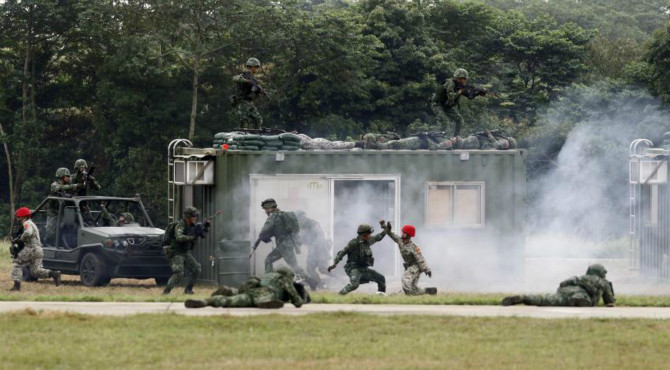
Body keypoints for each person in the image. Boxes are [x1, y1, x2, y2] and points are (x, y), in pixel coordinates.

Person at [255, 199, 316, 289]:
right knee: (291, 265)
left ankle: (268, 284)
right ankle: (311, 281)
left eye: (265, 209)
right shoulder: (281, 215)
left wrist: (262, 236)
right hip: (286, 245)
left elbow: (265, 230)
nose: (265, 211)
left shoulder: (273, 217)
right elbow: (278, 230)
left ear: (269, 208)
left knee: (272, 261)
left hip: (284, 245)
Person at [185, 267, 310, 309]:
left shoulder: (269, 275)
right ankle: (265, 303)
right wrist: (299, 300)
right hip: (264, 292)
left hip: (251, 286)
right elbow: (296, 298)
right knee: (251, 300)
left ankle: (207, 300)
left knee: (236, 297)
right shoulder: (284, 278)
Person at [502, 264, 616, 307]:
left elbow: (563, 283)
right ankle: (579, 299)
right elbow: (610, 302)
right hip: (581, 294)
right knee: (586, 300)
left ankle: (524, 298)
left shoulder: (580, 277)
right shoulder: (604, 283)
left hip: (566, 291)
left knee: (544, 299)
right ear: (601, 273)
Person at [327, 221, 388, 295]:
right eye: (369, 234)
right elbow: (342, 253)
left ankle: (380, 297)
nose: (370, 235)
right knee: (354, 284)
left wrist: (386, 228)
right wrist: (334, 264)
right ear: (364, 234)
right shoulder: (354, 243)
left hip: (363, 269)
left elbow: (379, 237)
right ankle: (339, 296)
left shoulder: (367, 241)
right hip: (353, 268)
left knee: (381, 278)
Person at [9, 207, 61, 291]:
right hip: (38, 249)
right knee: (35, 271)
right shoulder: (31, 223)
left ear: (23, 217)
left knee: (17, 263)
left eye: (19, 217)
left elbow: (28, 232)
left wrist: (20, 239)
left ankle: (16, 286)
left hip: (31, 248)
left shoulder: (27, 223)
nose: (18, 219)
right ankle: (54, 274)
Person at [382, 222, 436, 295]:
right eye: (402, 232)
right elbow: (391, 234)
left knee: (405, 279)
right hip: (409, 266)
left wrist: (426, 269)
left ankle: (408, 296)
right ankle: (428, 291)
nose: (402, 233)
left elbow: (420, 258)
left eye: (404, 232)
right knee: (413, 288)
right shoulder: (400, 241)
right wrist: (385, 226)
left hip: (416, 266)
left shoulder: (414, 247)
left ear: (409, 235)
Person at [430, 68, 488, 137]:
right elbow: (451, 97)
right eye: (464, 78)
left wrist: (478, 93)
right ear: (459, 78)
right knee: (444, 120)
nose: (465, 80)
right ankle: (439, 138)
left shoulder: (460, 85)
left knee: (459, 120)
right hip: (437, 104)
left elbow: (470, 96)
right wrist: (460, 91)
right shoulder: (450, 83)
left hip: (446, 105)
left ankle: (456, 138)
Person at [163, 206, 202, 295]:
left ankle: (188, 290)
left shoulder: (192, 226)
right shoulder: (180, 225)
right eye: (193, 216)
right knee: (179, 272)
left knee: (196, 269)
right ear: (188, 217)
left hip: (184, 252)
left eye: (196, 215)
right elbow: (179, 237)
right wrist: (191, 237)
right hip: (175, 252)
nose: (195, 218)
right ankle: (166, 292)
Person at [294, 210, 331, 289]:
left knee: (323, 269)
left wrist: (314, 245)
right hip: (312, 251)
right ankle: (320, 286)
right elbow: (302, 240)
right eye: (297, 220)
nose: (299, 221)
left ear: (303, 217)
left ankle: (341, 279)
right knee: (310, 269)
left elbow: (320, 235)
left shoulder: (313, 223)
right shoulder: (301, 227)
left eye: (299, 219)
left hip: (321, 249)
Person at [46, 167, 82, 245]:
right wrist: (75, 186)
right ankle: (48, 243)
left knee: (73, 225)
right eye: (67, 176)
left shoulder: (68, 185)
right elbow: (61, 187)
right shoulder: (54, 185)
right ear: (62, 177)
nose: (69, 178)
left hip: (63, 211)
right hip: (53, 212)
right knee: (51, 231)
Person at [231, 57, 265, 129]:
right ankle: (241, 136)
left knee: (258, 120)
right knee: (244, 121)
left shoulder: (253, 79)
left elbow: (253, 91)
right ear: (251, 66)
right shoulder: (244, 75)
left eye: (257, 67)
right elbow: (235, 78)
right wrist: (247, 81)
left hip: (248, 102)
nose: (256, 68)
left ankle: (256, 135)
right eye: (256, 67)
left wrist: (258, 90)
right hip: (241, 101)